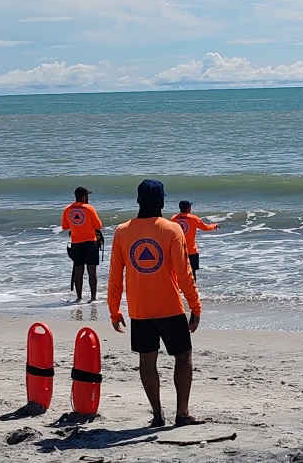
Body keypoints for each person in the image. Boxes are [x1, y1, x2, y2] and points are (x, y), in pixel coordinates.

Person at [107, 179, 204, 428]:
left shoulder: (122, 231)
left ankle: (158, 415)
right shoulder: (172, 230)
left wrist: (114, 310)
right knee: (183, 356)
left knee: (146, 361)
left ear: (138, 200)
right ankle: (182, 413)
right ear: (162, 201)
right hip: (170, 308)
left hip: (139, 311)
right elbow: (185, 274)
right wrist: (195, 306)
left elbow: (115, 276)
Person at [62, 186, 103, 302]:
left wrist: (77, 225)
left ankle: (79, 297)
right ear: (83, 196)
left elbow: (65, 226)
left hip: (76, 244)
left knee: (78, 271)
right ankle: (93, 298)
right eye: (87, 195)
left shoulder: (67, 209)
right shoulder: (89, 209)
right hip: (90, 243)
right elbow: (99, 226)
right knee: (92, 272)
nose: (88, 198)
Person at [170, 200, 220, 283]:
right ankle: (192, 293)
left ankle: (178, 292)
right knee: (192, 273)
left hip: (178, 251)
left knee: (177, 273)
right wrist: (215, 225)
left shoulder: (173, 218)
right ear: (188, 208)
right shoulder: (193, 218)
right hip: (191, 251)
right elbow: (205, 228)